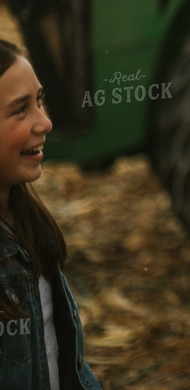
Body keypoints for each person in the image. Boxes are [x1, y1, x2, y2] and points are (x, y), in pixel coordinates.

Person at [0, 39, 102, 390]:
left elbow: (64, 361)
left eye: (39, 100)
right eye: (20, 110)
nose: (45, 122)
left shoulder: (30, 224)